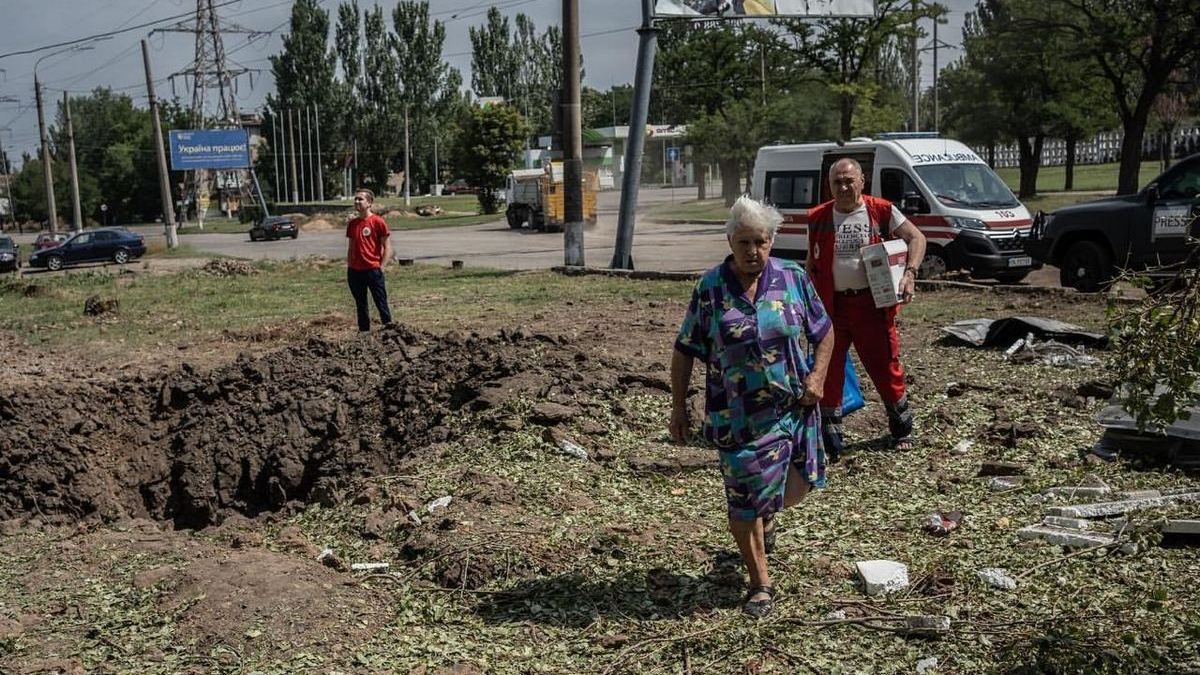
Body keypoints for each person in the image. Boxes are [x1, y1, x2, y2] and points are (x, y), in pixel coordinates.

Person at [670, 196, 834, 619]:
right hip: (737, 415)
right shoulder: (710, 288)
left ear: (772, 240)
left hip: (793, 407)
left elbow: (824, 331)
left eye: (760, 242)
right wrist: (679, 407)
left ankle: (767, 517)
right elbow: (685, 349)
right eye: (743, 242)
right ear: (729, 241)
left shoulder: (793, 277)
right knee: (744, 501)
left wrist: (817, 378)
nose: (752, 252)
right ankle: (760, 582)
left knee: (795, 487)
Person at [805, 158, 927, 458]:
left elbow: (917, 238)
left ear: (862, 181)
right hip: (832, 308)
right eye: (837, 182)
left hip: (871, 305)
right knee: (828, 369)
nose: (844, 187)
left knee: (884, 364)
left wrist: (910, 273)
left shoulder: (881, 210)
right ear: (829, 185)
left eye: (849, 180)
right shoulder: (818, 217)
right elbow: (812, 262)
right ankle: (831, 440)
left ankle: (902, 428)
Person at [346, 189, 394, 332]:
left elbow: (387, 247)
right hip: (355, 271)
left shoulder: (378, 222)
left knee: (381, 303)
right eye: (355, 199)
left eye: (360, 199)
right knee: (361, 305)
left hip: (373, 270)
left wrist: (381, 267)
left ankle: (390, 332)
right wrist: (350, 265)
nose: (356, 202)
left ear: (369, 203)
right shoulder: (353, 224)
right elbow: (351, 247)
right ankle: (364, 336)